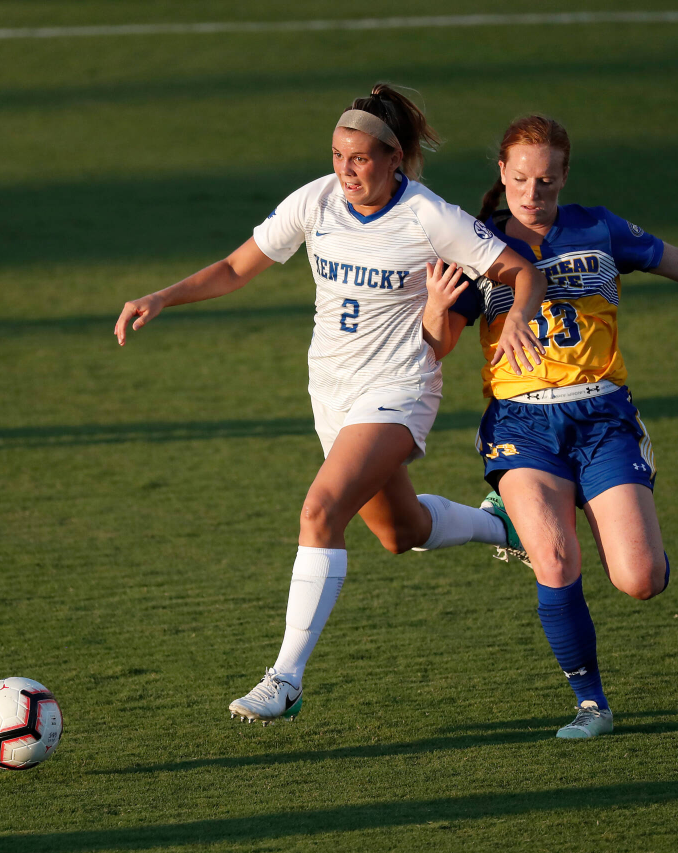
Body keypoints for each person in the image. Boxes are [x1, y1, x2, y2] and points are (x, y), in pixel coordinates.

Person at [115, 85, 547, 724]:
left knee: (319, 511)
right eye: (339, 155)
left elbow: (520, 269)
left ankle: (284, 679)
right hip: (333, 395)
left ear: (394, 158)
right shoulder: (316, 201)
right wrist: (163, 295)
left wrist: (517, 321)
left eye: (361, 158)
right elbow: (238, 268)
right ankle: (502, 524)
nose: (346, 169)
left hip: (401, 389)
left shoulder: (429, 216)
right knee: (399, 533)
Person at [445, 114, 678, 739]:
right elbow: (435, 339)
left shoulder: (598, 227)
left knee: (640, 580)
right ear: (501, 176)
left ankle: (596, 505)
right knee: (557, 559)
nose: (532, 195)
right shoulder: (475, 245)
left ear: (565, 177)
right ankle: (591, 705)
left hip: (602, 417)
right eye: (520, 181)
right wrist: (434, 304)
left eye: (546, 181)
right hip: (521, 423)